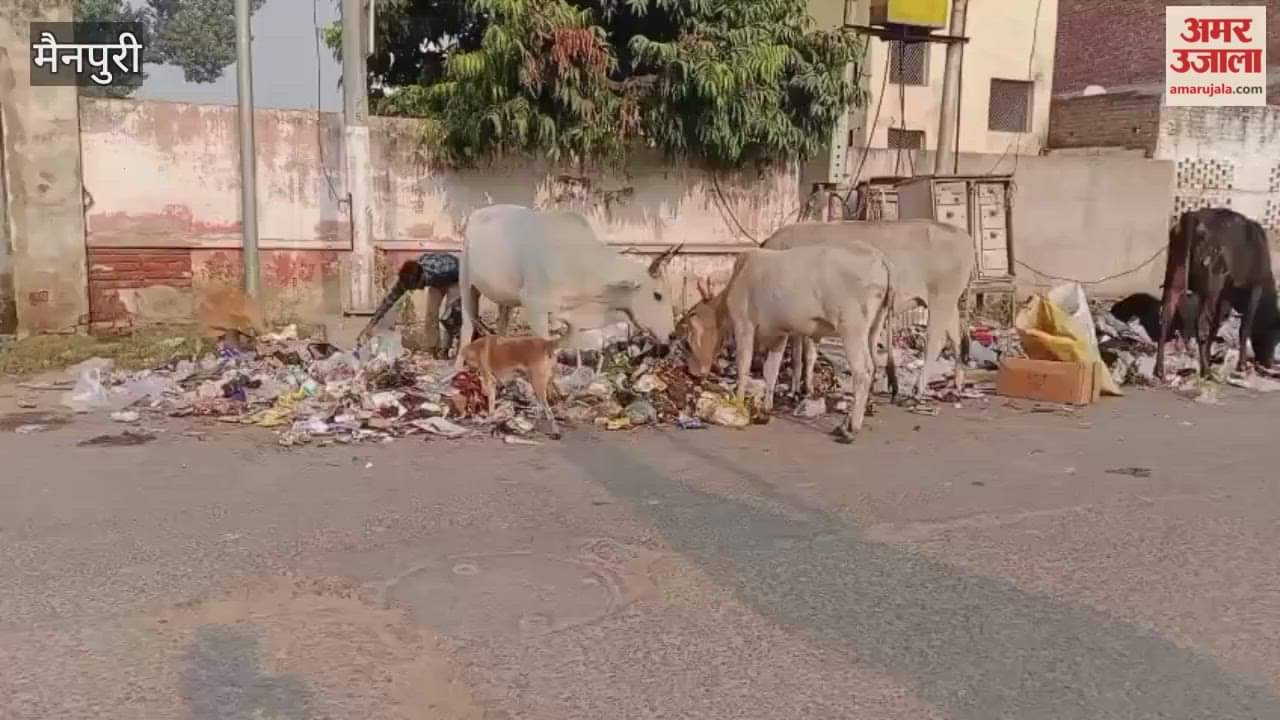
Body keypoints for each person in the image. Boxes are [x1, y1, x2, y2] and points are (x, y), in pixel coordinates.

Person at [355, 252, 460, 355]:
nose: (419, 289)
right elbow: (387, 302)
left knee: (449, 315)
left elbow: (461, 271)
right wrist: (370, 325)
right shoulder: (405, 281)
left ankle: (445, 349)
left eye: (419, 286)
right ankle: (433, 348)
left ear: (422, 276)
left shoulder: (440, 269)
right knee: (431, 314)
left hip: (456, 278)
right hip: (436, 282)